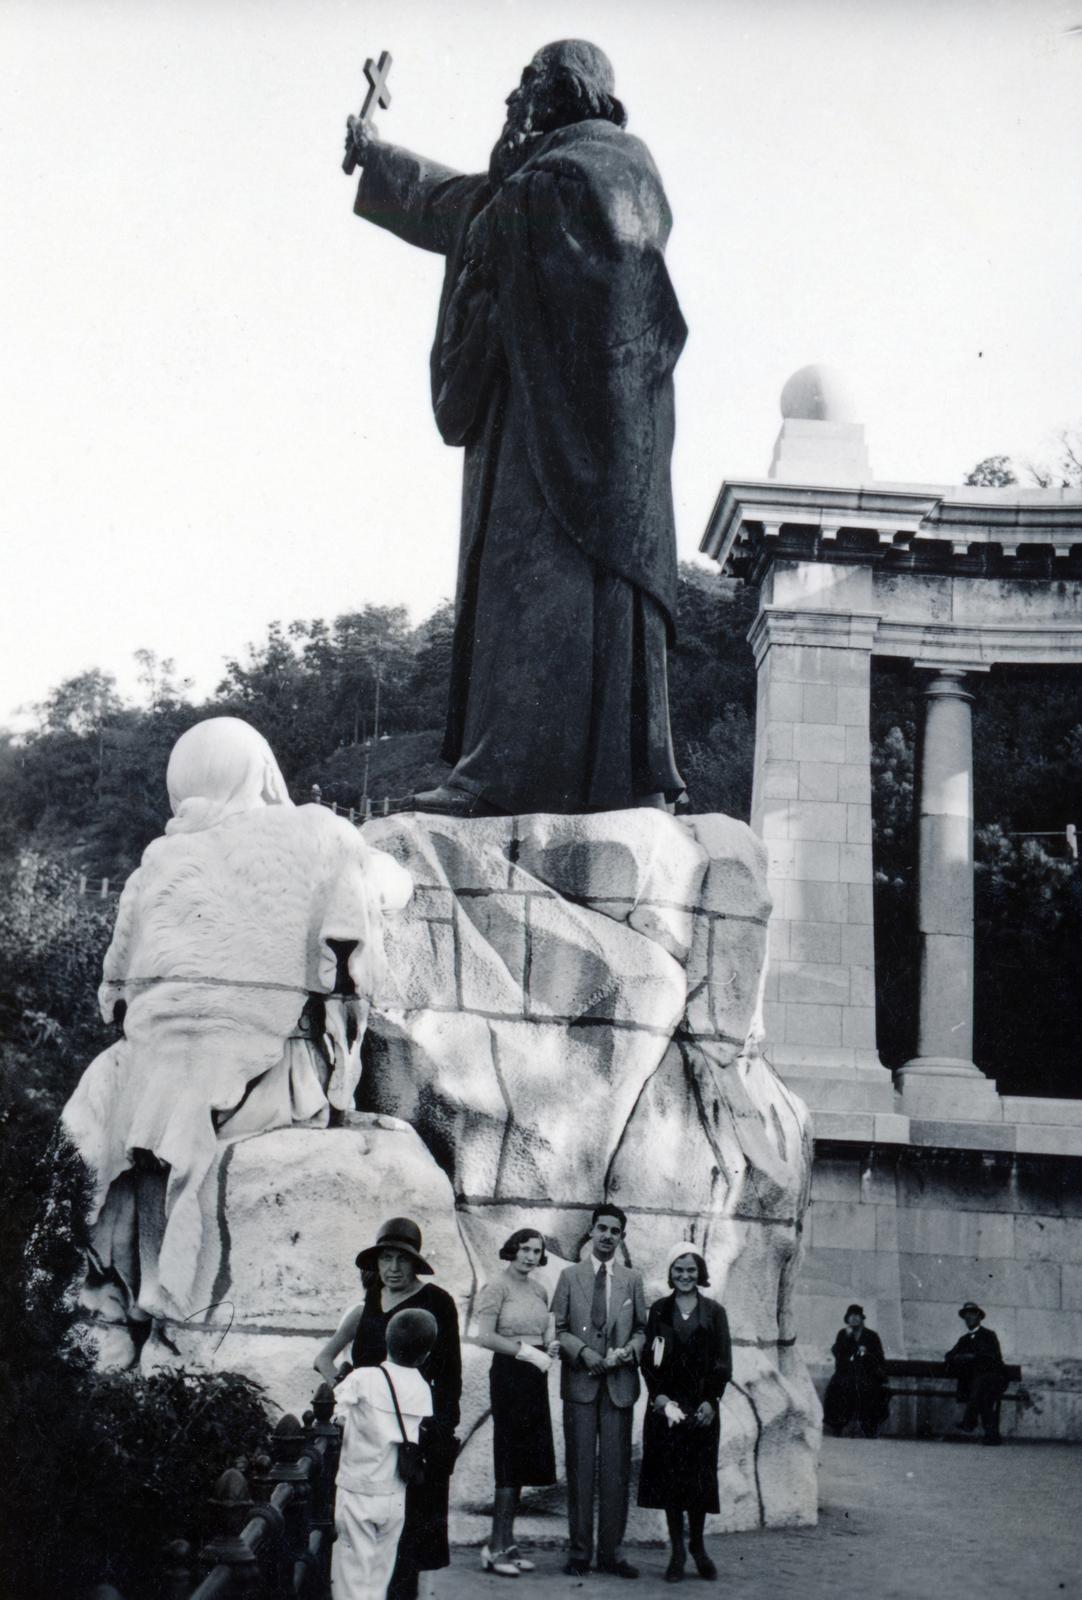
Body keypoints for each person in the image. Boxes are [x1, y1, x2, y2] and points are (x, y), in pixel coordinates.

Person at [345, 40, 687, 818]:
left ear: (563, 91)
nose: (512, 94)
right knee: (511, 584)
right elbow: (457, 203)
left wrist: (507, 221)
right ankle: (500, 766)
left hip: (582, 437)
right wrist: (378, 157)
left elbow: (606, 258)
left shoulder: (609, 161)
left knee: (544, 585)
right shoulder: (529, 182)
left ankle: (511, 774)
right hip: (527, 417)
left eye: (527, 79)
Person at [60, 717, 410, 1347]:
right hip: (266, 1081)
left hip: (152, 1089)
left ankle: (122, 1308)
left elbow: (113, 990)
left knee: (120, 1118)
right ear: (261, 770)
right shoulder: (318, 832)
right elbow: (380, 910)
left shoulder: (154, 865)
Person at [316, 1219, 462, 1600]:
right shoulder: (369, 1302)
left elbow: (450, 1378)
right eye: (385, 1259)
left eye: (401, 1259)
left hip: (412, 1434)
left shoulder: (437, 1303)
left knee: (407, 1535)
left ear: (415, 1264)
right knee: (360, 1535)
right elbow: (329, 1360)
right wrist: (345, 1389)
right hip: (366, 1436)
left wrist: (439, 1434)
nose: (392, 1268)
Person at [551, 1204, 647, 1579]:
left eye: (615, 1231)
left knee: (615, 1472)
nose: (607, 1236)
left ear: (622, 1237)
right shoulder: (569, 1276)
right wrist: (584, 1352)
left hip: (618, 1387)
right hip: (580, 1385)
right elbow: (558, 1328)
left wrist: (629, 1351)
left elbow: (642, 1328)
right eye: (602, 1228)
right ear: (590, 1232)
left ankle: (611, 1554)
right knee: (579, 1471)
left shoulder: (632, 1279)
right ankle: (579, 1553)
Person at [638, 1246, 731, 1584]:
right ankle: (677, 1550)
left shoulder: (714, 1312)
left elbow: (723, 1362)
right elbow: (649, 1360)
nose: (685, 1276)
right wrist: (659, 1398)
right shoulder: (659, 1310)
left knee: (699, 1481)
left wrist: (712, 1401)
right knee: (670, 1481)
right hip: (667, 1409)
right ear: (671, 1273)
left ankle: (698, 1546)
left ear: (700, 1272)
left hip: (702, 1410)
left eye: (691, 1270)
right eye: (679, 1270)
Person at [332, 1307, 437, 1600]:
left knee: (352, 1573)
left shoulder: (363, 1378)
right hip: (394, 1494)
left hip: (357, 1488)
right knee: (380, 1573)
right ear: (425, 1355)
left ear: (386, 1342)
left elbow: (337, 1412)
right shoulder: (422, 1387)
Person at [473, 1227, 561, 1577]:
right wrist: (526, 1352)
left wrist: (548, 1347)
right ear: (512, 1250)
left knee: (524, 1458)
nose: (529, 1256)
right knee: (508, 1458)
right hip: (510, 1374)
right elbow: (485, 1337)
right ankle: (494, 1548)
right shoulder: (496, 1286)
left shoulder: (540, 1289)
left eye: (536, 1250)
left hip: (534, 1375)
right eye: (524, 1248)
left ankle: (508, 1543)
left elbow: (545, 1332)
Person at [945, 1301, 1008, 1445]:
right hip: (976, 1384)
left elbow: (993, 1358)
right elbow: (949, 1356)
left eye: (972, 1315)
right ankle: (991, 1436)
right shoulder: (964, 1340)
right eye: (966, 1315)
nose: (969, 1318)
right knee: (982, 1395)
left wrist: (972, 1357)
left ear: (979, 1317)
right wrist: (959, 1357)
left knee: (982, 1384)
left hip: (995, 1378)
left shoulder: (989, 1335)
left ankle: (969, 1421)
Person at [823, 1304, 889, 1439]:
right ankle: (838, 1424)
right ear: (847, 1319)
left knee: (869, 1389)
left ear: (862, 1319)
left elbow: (879, 1357)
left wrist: (867, 1353)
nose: (854, 1319)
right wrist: (847, 1339)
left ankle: (869, 1427)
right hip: (847, 1373)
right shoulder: (843, 1333)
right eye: (851, 1316)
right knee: (837, 1386)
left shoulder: (871, 1335)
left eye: (857, 1316)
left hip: (866, 1373)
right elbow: (838, 1354)